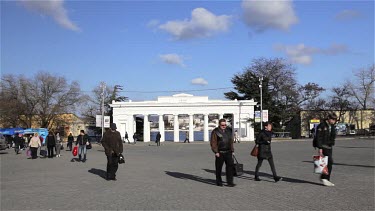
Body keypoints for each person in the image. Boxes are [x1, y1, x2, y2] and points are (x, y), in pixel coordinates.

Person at [210, 119, 236, 187]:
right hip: (220, 152)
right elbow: (213, 142)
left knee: (230, 167)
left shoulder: (228, 131)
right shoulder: (215, 131)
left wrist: (232, 151)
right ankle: (219, 181)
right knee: (219, 168)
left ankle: (230, 182)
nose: (224, 126)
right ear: (219, 124)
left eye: (225, 125)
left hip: (228, 152)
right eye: (222, 125)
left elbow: (231, 142)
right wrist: (216, 152)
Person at [315, 113, 338, 187]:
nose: (333, 121)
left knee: (328, 162)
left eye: (335, 120)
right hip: (323, 146)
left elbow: (333, 135)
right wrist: (320, 148)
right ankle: (324, 178)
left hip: (329, 146)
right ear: (328, 118)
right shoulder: (322, 125)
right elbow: (318, 137)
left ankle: (325, 178)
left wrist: (332, 142)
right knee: (330, 161)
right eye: (332, 119)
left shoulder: (332, 126)